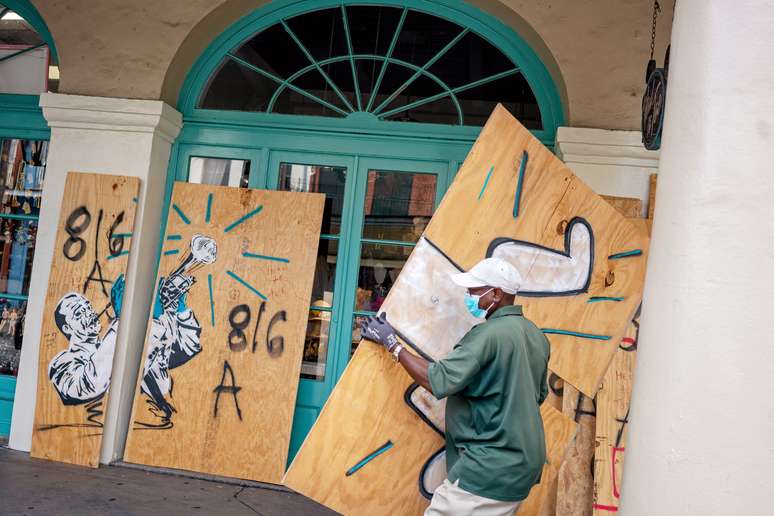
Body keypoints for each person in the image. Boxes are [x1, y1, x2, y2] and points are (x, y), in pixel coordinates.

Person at [361, 257, 550, 515]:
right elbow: (537, 395)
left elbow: (436, 379)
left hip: (489, 466)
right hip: (523, 465)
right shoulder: (536, 337)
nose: (469, 296)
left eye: (474, 290)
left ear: (496, 293)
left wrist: (391, 342)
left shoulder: (487, 335)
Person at [48, 275, 124, 405]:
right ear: (67, 328)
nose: (89, 314)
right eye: (79, 313)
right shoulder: (61, 364)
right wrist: (119, 320)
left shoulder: (110, 345)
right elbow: (88, 384)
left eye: (88, 308)